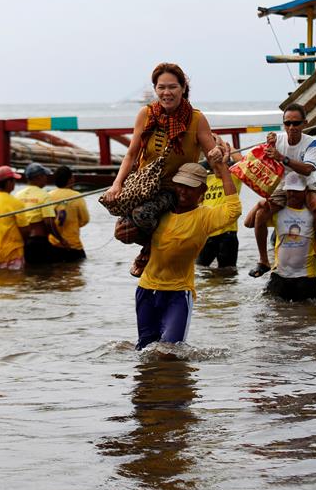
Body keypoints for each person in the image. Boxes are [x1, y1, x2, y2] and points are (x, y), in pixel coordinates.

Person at [101, 63, 221, 277]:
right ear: (155, 89)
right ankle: (150, 246)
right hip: (145, 187)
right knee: (123, 231)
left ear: (183, 88)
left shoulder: (196, 119)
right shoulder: (146, 114)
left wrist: (219, 157)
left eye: (173, 87)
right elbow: (130, 154)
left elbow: (214, 155)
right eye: (161, 87)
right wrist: (116, 184)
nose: (167, 93)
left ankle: (148, 250)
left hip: (176, 190)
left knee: (141, 214)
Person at [125, 155, 241, 350]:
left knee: (171, 349)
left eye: (190, 187)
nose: (183, 191)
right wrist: (122, 233)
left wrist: (222, 167)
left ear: (202, 191)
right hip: (146, 290)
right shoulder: (158, 212)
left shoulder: (204, 217)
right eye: (180, 185)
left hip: (178, 293)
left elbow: (233, 209)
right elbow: (132, 231)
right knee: (145, 350)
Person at [245, 103, 316, 277]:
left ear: (305, 123)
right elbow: (260, 163)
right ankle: (263, 261)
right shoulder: (276, 140)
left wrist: (282, 158)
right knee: (261, 213)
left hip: (305, 183)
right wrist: (266, 148)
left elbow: (308, 169)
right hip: (283, 184)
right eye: (287, 123)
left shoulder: (312, 143)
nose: (291, 127)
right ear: (283, 124)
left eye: (296, 123)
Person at [265, 172, 316, 301]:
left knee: (307, 315)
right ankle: (262, 261)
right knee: (277, 317)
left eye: (296, 191)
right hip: (279, 275)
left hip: (306, 277)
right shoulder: (278, 211)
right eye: (289, 191)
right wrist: (261, 203)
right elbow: (250, 223)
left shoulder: (315, 214)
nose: (292, 194)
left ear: (305, 191)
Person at [196, 137, 243, 270]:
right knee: (199, 270)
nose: (217, 164)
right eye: (213, 161)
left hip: (228, 235)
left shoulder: (233, 176)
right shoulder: (206, 179)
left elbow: (243, 162)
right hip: (208, 235)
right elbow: (198, 202)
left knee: (227, 273)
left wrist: (222, 143)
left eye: (219, 160)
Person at [14, 162, 68, 265]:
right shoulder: (44, 195)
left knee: (30, 275)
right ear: (38, 177)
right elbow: (49, 223)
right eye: (44, 176)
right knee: (48, 274)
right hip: (39, 242)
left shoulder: (18, 195)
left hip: (23, 242)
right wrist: (61, 240)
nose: (46, 179)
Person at [0, 165, 30, 271]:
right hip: (13, 252)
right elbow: (25, 230)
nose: (15, 183)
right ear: (9, 183)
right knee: (16, 283)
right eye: (14, 180)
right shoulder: (16, 203)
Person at [47, 165, 89, 262]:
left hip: (53, 245)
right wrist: (73, 224)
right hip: (73, 245)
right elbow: (85, 220)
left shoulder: (48, 196)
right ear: (70, 179)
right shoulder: (76, 196)